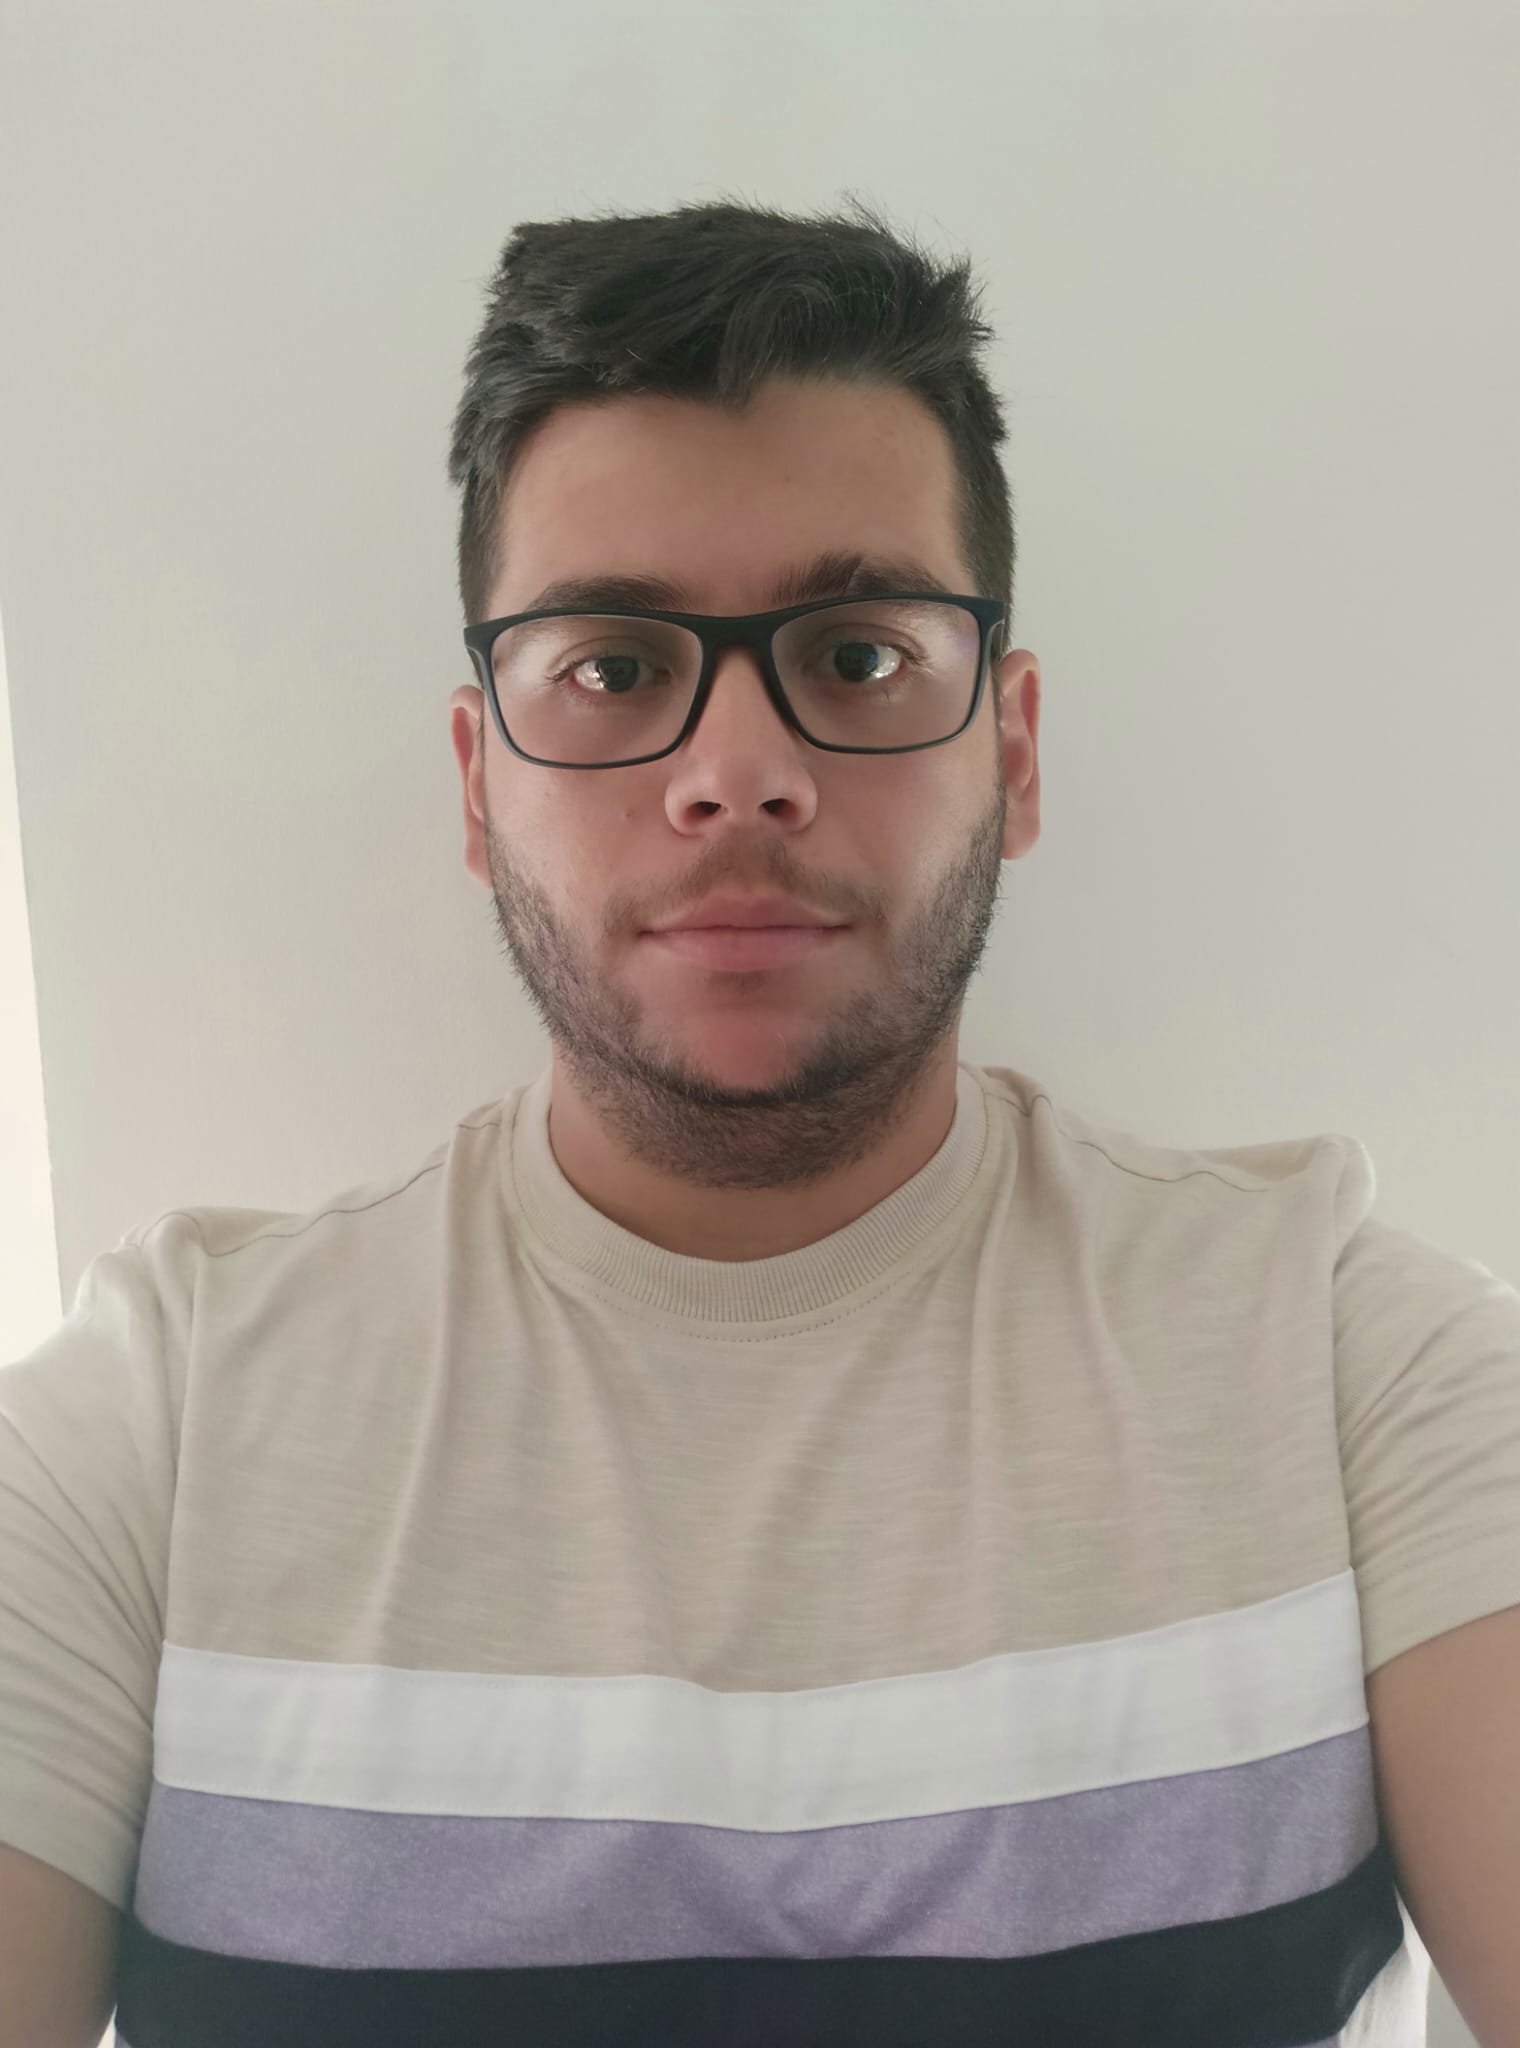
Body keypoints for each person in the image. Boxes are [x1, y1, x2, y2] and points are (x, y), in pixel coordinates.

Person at [4, 193, 1518, 2048]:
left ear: (1012, 749)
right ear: (479, 783)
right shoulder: (154, 1429)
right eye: (614, 667)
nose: (738, 775)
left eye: (858, 655)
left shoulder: (1353, 1369)